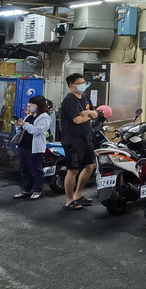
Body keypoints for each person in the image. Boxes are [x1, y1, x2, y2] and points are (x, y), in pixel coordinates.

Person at [59, 73, 99, 211]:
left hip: (86, 139)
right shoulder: (69, 101)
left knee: (90, 166)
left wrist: (87, 113)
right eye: (80, 82)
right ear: (72, 85)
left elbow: (95, 113)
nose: (83, 85)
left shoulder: (85, 98)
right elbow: (77, 120)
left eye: (84, 82)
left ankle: (78, 194)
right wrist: (89, 114)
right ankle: (69, 201)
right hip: (73, 141)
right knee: (73, 169)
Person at [13, 95, 51, 201]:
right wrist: (18, 125)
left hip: (35, 148)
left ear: (40, 105)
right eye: (30, 104)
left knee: (36, 170)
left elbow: (37, 131)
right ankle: (26, 190)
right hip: (24, 146)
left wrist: (24, 124)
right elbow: (23, 131)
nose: (31, 106)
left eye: (33, 104)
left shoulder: (44, 117)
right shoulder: (29, 117)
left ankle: (37, 190)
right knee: (24, 169)